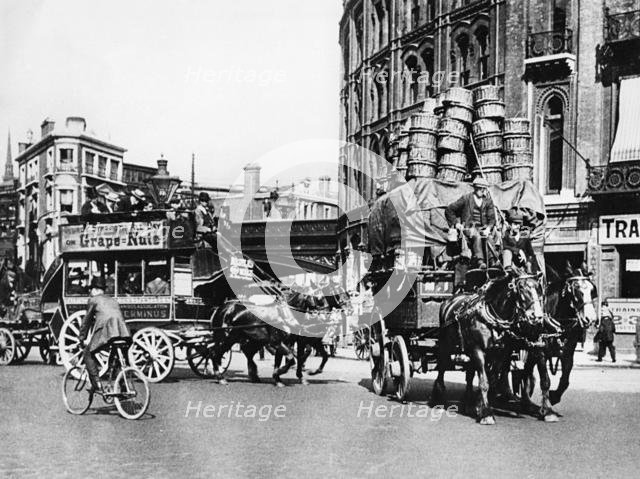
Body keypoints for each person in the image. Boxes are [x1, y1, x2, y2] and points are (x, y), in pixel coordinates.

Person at [79, 276, 131, 392]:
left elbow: (86, 321)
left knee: (88, 354)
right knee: (116, 359)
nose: (90, 292)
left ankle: (96, 384)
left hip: (107, 332)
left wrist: (81, 338)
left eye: (91, 290)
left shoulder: (94, 300)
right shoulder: (113, 300)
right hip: (124, 333)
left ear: (95, 290)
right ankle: (123, 387)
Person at [445, 177, 497, 269]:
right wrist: (456, 224)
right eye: (480, 188)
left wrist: (488, 228)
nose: (482, 190)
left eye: (484, 188)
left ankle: (492, 261)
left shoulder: (488, 202)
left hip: (483, 228)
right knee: (476, 235)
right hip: (468, 228)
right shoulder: (466, 199)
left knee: (488, 237)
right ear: (475, 188)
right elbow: (449, 210)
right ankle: (479, 261)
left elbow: (492, 218)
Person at [502, 209, 537, 273]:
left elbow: (531, 253)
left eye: (519, 224)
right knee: (507, 251)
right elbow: (504, 247)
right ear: (510, 225)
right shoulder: (506, 234)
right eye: (515, 224)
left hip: (522, 264)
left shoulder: (524, 235)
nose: (517, 226)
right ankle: (508, 271)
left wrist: (529, 262)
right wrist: (518, 251)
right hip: (511, 263)